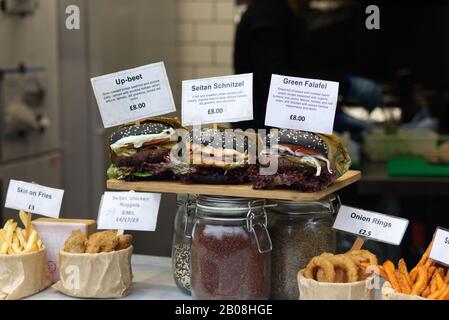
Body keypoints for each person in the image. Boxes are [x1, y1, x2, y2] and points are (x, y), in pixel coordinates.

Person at [233, 0, 383, 133]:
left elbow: (302, 70)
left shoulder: (292, 15)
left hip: (281, 129)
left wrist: (332, 112)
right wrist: (345, 85)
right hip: (259, 133)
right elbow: (275, 81)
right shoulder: (266, 14)